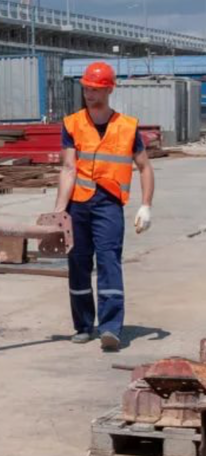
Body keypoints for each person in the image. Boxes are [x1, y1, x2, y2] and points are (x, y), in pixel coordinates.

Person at [54, 61, 154, 353]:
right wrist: (60, 211)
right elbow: (68, 168)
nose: (89, 93)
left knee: (109, 261)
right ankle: (84, 326)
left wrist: (146, 205)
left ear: (109, 89)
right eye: (86, 88)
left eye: (95, 89)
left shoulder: (127, 127)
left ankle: (110, 327)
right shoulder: (72, 123)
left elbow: (145, 167)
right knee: (78, 262)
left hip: (109, 203)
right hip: (79, 205)